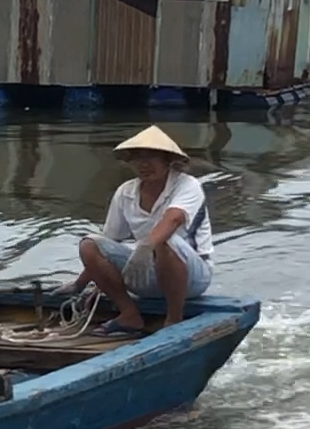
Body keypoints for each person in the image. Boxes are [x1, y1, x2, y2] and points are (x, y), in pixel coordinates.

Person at [71, 125, 214, 336]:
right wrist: (81, 283)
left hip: (193, 278)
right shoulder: (126, 191)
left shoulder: (187, 185)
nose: (143, 164)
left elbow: (173, 219)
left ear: (167, 160)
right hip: (146, 272)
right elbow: (109, 241)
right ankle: (129, 315)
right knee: (89, 244)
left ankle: (174, 319)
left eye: (151, 158)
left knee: (165, 241)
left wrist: (145, 247)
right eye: (137, 158)